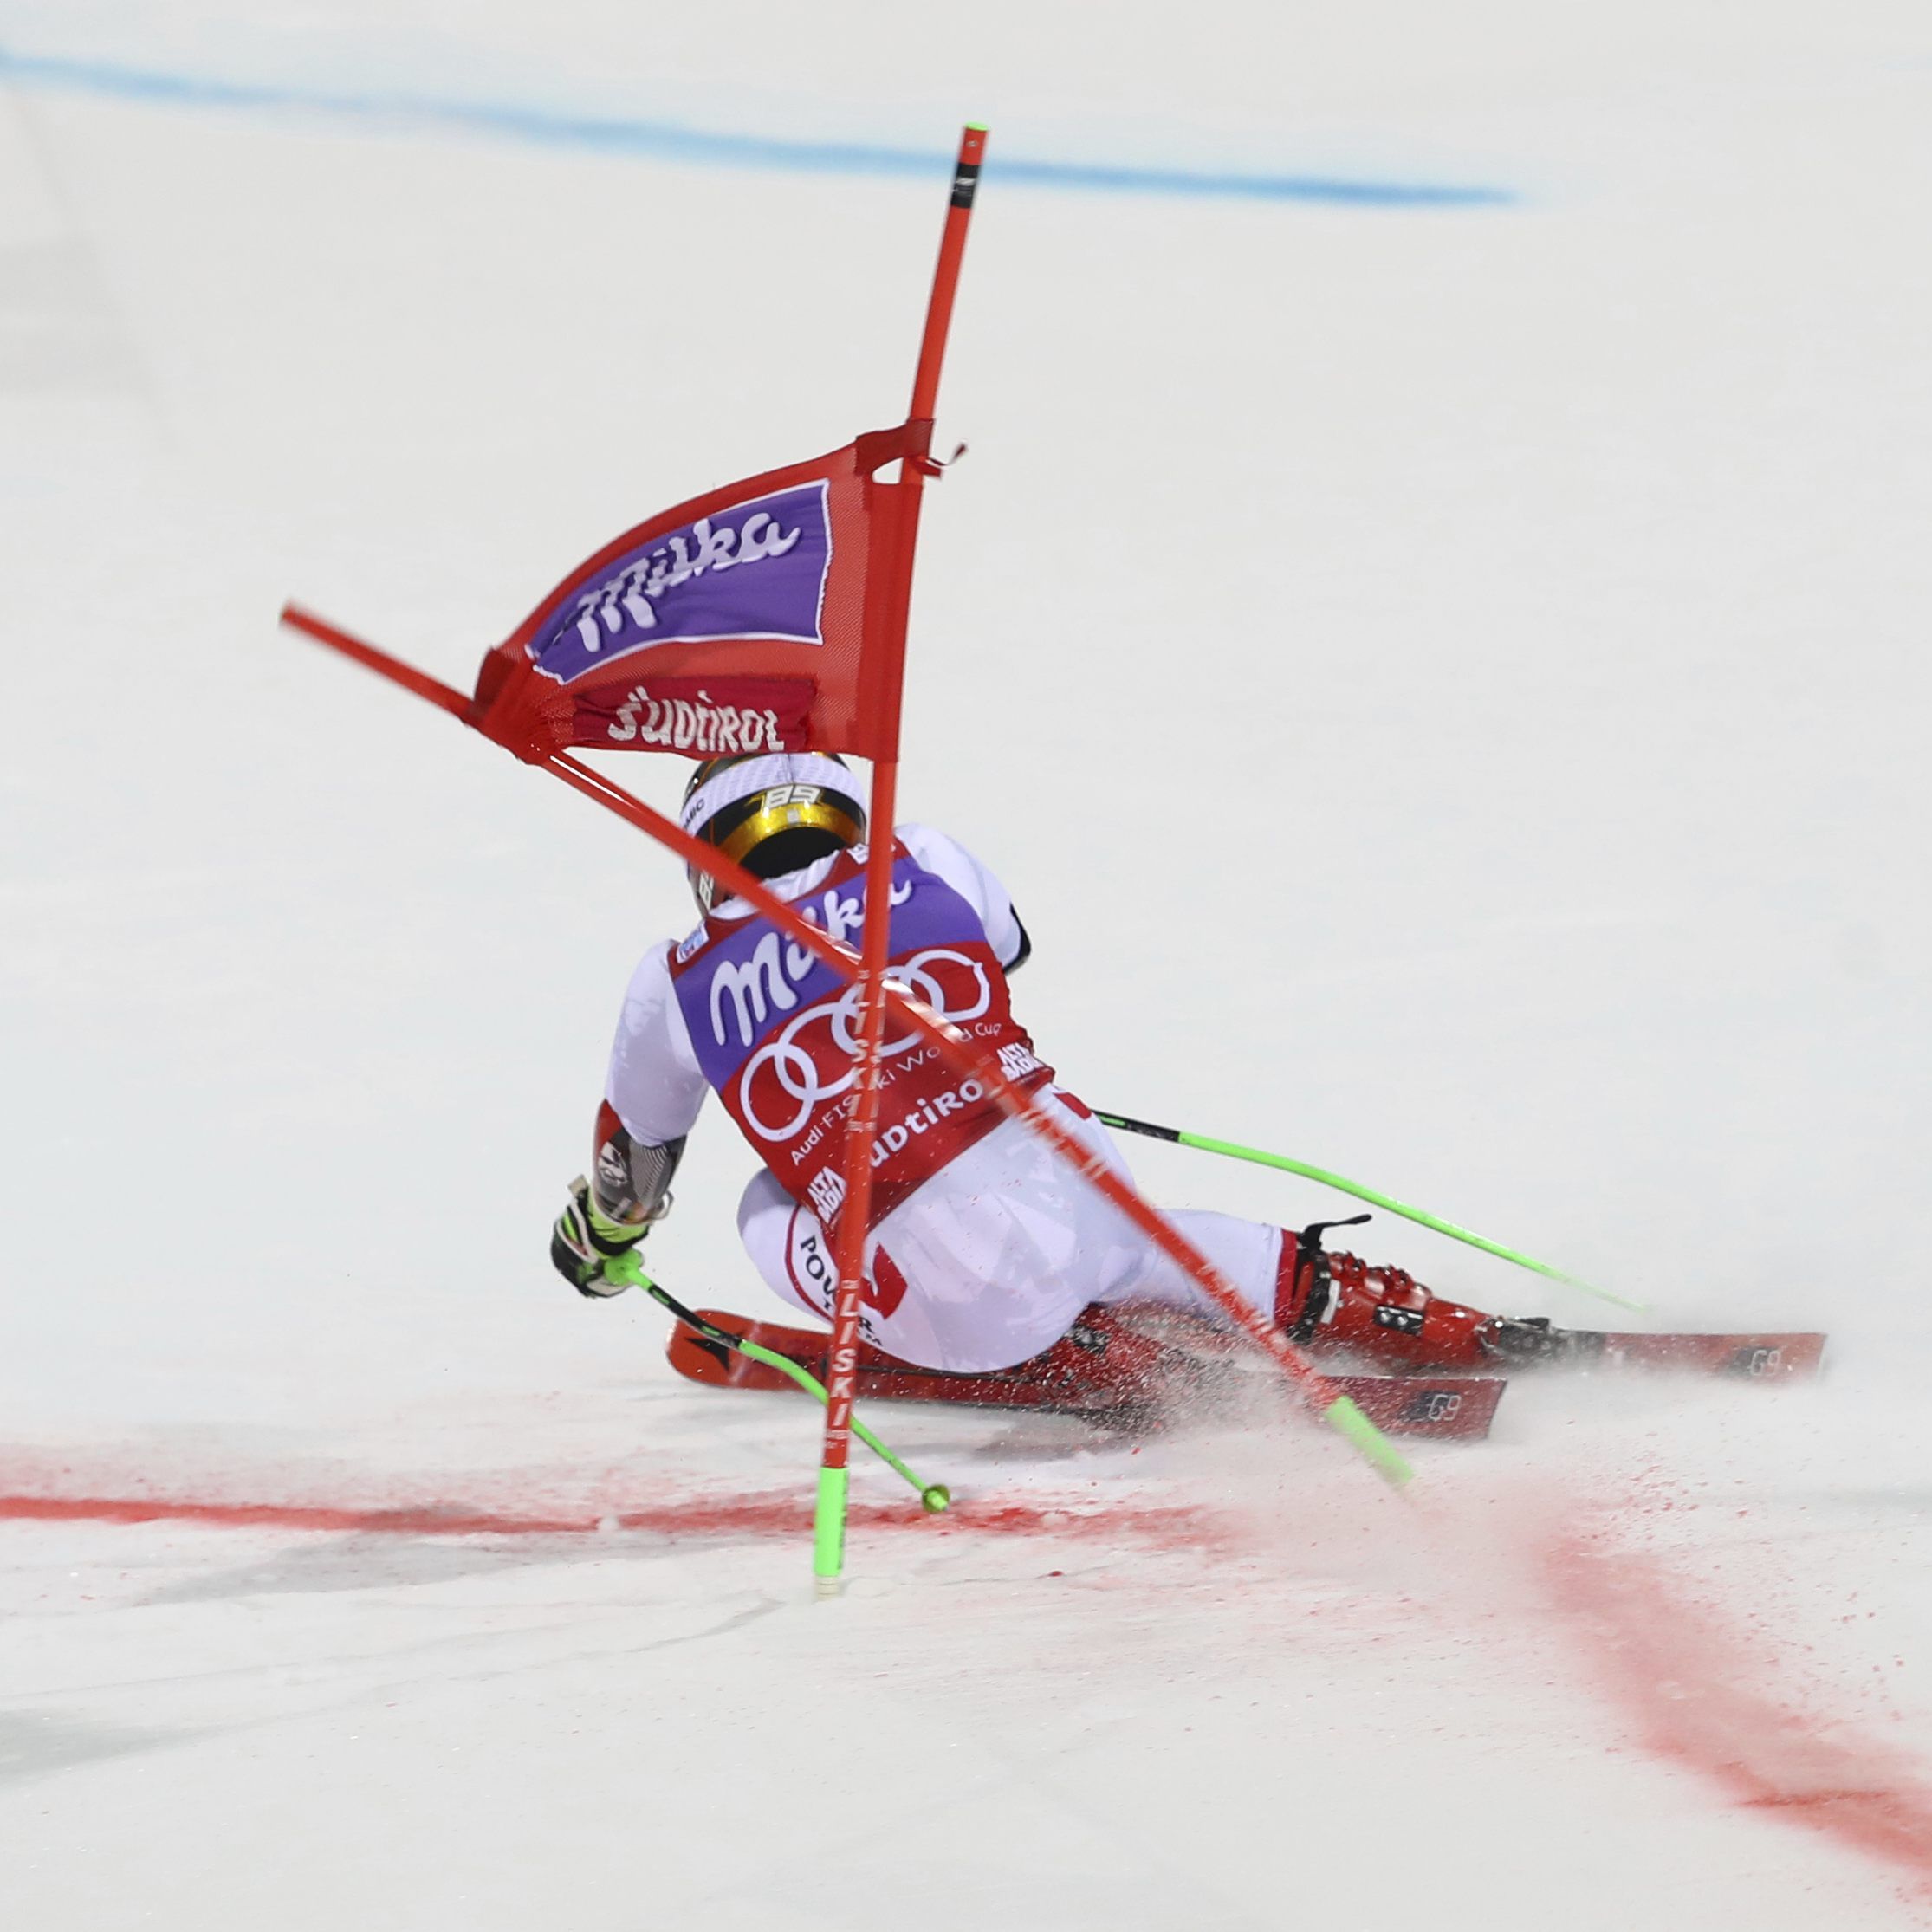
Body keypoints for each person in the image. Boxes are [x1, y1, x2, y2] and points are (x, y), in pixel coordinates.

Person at [549, 751, 1549, 1390]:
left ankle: (1068, 1350)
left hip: (958, 1310)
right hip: (1069, 1186)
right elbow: (1008, 948)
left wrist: (600, 1241)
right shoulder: (922, 854)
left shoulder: (672, 980)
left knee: (767, 1200)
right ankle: (1385, 1311)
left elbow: (632, 1165)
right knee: (1131, 1235)